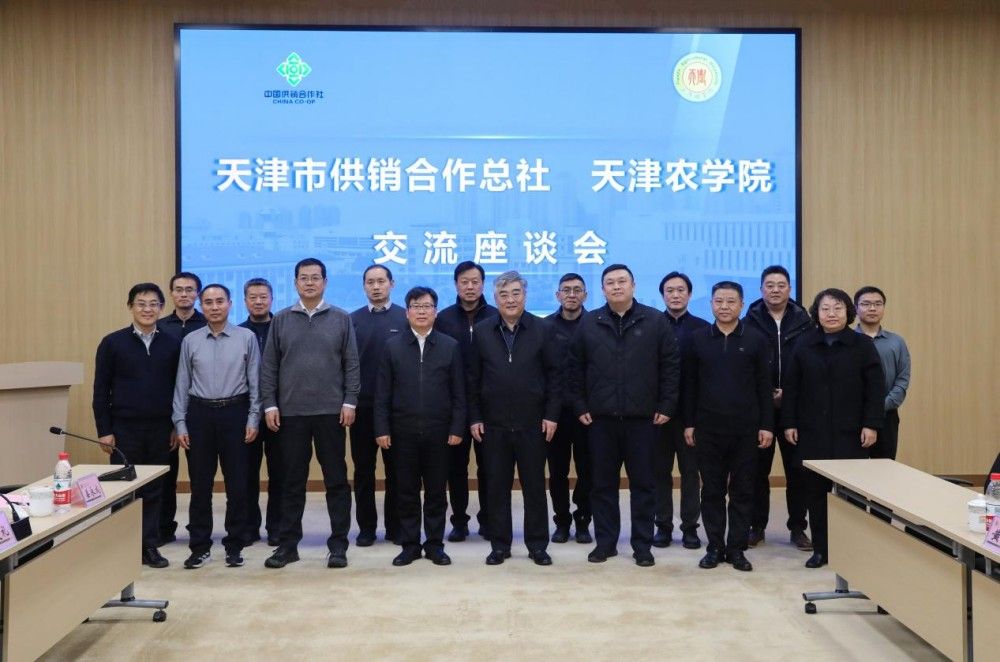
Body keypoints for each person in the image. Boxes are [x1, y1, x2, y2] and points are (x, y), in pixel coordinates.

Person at [566, 263, 680, 567]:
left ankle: (643, 546)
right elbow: (574, 370)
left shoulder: (654, 321)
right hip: (600, 420)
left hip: (643, 420)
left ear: (633, 286)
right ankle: (606, 543)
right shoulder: (589, 323)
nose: (616, 287)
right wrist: (580, 406)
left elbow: (670, 366)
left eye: (622, 281)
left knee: (644, 485)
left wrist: (667, 405)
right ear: (603, 289)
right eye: (610, 283)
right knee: (602, 485)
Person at [260, 258, 361, 569]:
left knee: (337, 481)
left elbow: (351, 364)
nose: (309, 283)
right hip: (291, 414)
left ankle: (339, 546)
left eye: (315, 278)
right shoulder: (281, 319)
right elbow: (269, 366)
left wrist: (350, 401)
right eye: (304, 278)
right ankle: (288, 545)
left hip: (331, 412)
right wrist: (270, 403)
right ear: (295, 283)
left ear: (325, 282)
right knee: (291, 481)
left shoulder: (341, 318)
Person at [783, 288, 884, 568]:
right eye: (825, 308)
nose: (831, 314)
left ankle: (851, 550)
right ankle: (822, 550)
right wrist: (789, 422)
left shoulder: (862, 345)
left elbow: (875, 390)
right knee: (815, 494)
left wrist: (871, 424)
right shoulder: (803, 344)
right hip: (812, 432)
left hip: (850, 433)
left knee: (851, 495)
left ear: (848, 312)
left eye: (837, 308)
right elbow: (792, 387)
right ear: (816, 313)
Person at [469, 271, 561, 566]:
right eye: (504, 295)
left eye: (515, 293)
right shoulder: (482, 331)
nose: (510, 300)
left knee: (534, 487)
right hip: (493, 424)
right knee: (496, 487)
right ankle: (500, 545)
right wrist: (475, 416)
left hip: (533, 423)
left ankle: (537, 545)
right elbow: (472, 378)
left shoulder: (543, 329)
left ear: (525, 295)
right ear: (495, 298)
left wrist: (551, 415)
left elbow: (555, 377)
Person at [683, 282, 773, 572]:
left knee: (743, 491)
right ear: (711, 304)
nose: (724, 306)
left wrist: (767, 425)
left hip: (746, 429)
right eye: (719, 301)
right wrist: (689, 423)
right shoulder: (698, 339)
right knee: (712, 491)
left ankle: (736, 549)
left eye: (730, 301)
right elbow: (690, 386)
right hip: (708, 428)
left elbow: (764, 387)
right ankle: (714, 547)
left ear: (742, 304)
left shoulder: (756, 339)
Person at [375, 287, 465, 567]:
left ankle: (435, 545)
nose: (422, 311)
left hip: (440, 433)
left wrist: (457, 427)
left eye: (427, 306)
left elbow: (459, 393)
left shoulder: (450, 346)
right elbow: (382, 393)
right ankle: (410, 545)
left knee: (437, 492)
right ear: (407, 312)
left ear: (435, 312)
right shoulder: (393, 347)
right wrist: (382, 428)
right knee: (406, 492)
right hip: (402, 433)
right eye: (416, 306)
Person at [172, 284, 261, 569]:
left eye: (219, 301)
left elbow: (255, 382)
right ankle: (199, 547)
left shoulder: (246, 338)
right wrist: (180, 422)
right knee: (200, 486)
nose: (214, 307)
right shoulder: (191, 340)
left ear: (230, 304)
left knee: (237, 485)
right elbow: (182, 384)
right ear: (202, 306)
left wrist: (253, 418)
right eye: (208, 302)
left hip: (236, 413)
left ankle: (235, 545)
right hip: (199, 415)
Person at [93, 283, 180, 569]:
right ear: (130, 306)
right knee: (124, 489)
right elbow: (100, 391)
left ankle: (148, 546)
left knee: (154, 489)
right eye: (141, 304)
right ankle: (122, 547)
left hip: (160, 429)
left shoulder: (172, 343)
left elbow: (178, 388)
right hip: (123, 430)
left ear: (161, 308)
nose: (147, 309)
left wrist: (175, 426)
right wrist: (104, 430)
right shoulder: (112, 343)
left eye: (153, 304)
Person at [743, 265, 813, 551]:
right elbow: (745, 364)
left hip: (796, 407)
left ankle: (797, 527)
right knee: (757, 470)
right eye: (769, 285)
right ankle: (756, 526)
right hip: (760, 407)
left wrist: (790, 392)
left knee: (797, 471)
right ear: (761, 289)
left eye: (781, 285)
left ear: (789, 289)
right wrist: (766, 392)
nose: (775, 290)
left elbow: (810, 363)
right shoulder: (749, 320)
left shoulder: (805, 321)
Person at [433, 261, 498, 542]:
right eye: (464, 282)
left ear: (483, 284)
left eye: (475, 282)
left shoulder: (496, 316)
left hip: (489, 405)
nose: (470, 287)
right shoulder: (443, 319)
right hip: (453, 405)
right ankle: (459, 521)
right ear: (456, 285)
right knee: (456, 468)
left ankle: (488, 519)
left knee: (490, 467)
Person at [350, 265, 407, 546]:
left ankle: (395, 527)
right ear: (364, 286)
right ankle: (367, 528)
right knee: (363, 471)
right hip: (362, 407)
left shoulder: (405, 317)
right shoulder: (352, 320)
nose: (376, 286)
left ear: (391, 284)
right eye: (370, 282)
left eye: (381, 281)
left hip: (396, 409)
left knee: (396, 471)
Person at [655, 271, 710, 550]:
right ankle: (662, 526)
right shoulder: (652, 325)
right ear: (662, 295)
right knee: (659, 473)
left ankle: (690, 527)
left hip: (691, 416)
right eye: (669, 290)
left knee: (690, 474)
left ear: (689, 294)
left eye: (680, 290)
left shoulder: (703, 329)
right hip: (657, 415)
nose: (675, 295)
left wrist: (695, 418)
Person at [156, 271, 207, 546]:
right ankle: (164, 528)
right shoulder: (159, 327)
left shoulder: (209, 323)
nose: (184, 294)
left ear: (197, 294)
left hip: (201, 410)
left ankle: (199, 529)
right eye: (179, 289)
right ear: (171, 294)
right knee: (166, 475)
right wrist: (173, 422)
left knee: (200, 475)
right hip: (166, 412)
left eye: (190, 289)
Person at [545, 273, 592, 544]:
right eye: (566, 290)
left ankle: (583, 519)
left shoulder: (596, 324)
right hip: (556, 413)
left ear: (585, 295)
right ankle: (561, 520)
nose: (571, 294)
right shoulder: (545, 327)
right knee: (557, 472)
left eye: (577, 290)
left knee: (588, 470)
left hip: (587, 412)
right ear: (558, 295)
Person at [239, 277, 283, 547]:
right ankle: (248, 526)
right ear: (244, 301)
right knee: (246, 473)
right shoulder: (238, 332)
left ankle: (276, 527)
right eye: (253, 297)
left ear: (271, 299)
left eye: (263, 297)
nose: (258, 302)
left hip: (280, 412)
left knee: (279, 473)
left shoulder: (284, 328)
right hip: (246, 413)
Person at [854, 286, 911, 460]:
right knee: (853, 469)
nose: (872, 308)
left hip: (887, 415)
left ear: (883, 308)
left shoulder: (896, 342)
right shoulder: (848, 341)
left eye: (878, 304)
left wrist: (879, 407)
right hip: (853, 416)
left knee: (884, 467)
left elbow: (902, 380)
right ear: (856, 308)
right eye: (866, 304)